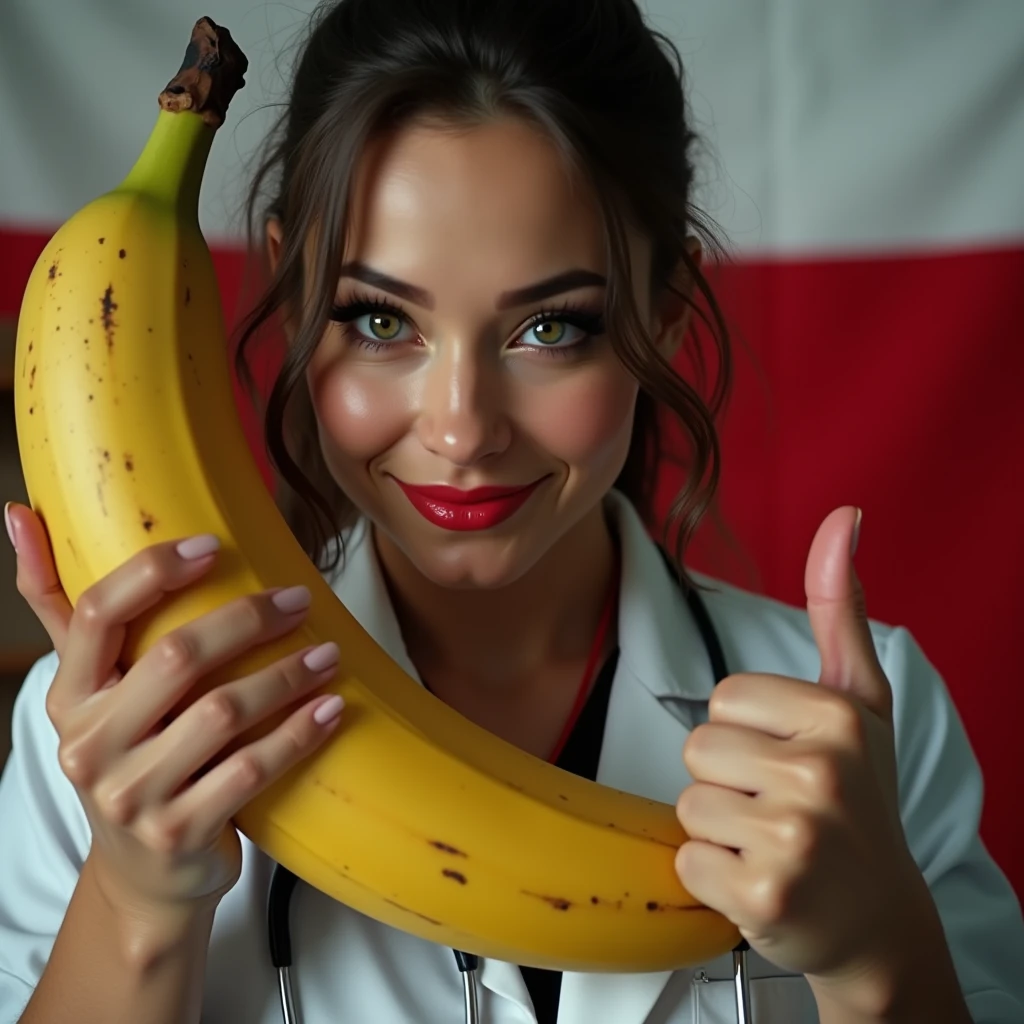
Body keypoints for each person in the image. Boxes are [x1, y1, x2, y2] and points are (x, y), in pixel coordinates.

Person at [2, 0, 1023, 1021]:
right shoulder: (107, 736)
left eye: (549, 327)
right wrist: (136, 901)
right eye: (379, 319)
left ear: (661, 317)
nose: (461, 428)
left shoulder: (866, 729)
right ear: (292, 289)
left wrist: (877, 956)